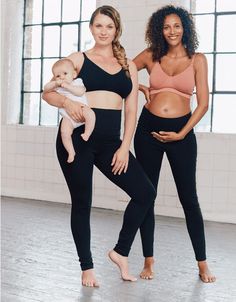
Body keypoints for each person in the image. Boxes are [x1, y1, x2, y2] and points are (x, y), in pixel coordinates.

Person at [42, 5, 156, 287]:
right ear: (91, 28)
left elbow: (131, 111)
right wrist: (68, 102)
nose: (103, 31)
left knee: (145, 192)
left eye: (109, 26)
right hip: (78, 139)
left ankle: (120, 252)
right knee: (83, 202)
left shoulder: (128, 65)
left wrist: (123, 146)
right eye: (98, 26)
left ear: (117, 30)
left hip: (109, 144)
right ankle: (87, 268)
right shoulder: (78, 59)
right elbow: (47, 92)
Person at [133, 5, 216, 283]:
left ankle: (202, 264)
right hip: (147, 131)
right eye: (166, 26)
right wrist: (139, 85)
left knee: (189, 200)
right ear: (159, 29)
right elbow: (122, 71)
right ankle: (148, 260)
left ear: (185, 29)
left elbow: (203, 104)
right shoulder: (150, 56)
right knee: (147, 196)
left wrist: (182, 133)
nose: (172, 31)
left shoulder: (198, 59)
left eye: (177, 26)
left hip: (181, 133)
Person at [44, 58, 96, 163]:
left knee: (91, 114)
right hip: (68, 117)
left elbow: (80, 92)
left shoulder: (77, 82)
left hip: (82, 109)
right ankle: (71, 151)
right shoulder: (57, 87)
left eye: (65, 73)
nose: (61, 77)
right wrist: (54, 83)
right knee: (64, 132)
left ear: (74, 74)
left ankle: (87, 132)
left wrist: (67, 86)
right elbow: (45, 89)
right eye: (58, 76)